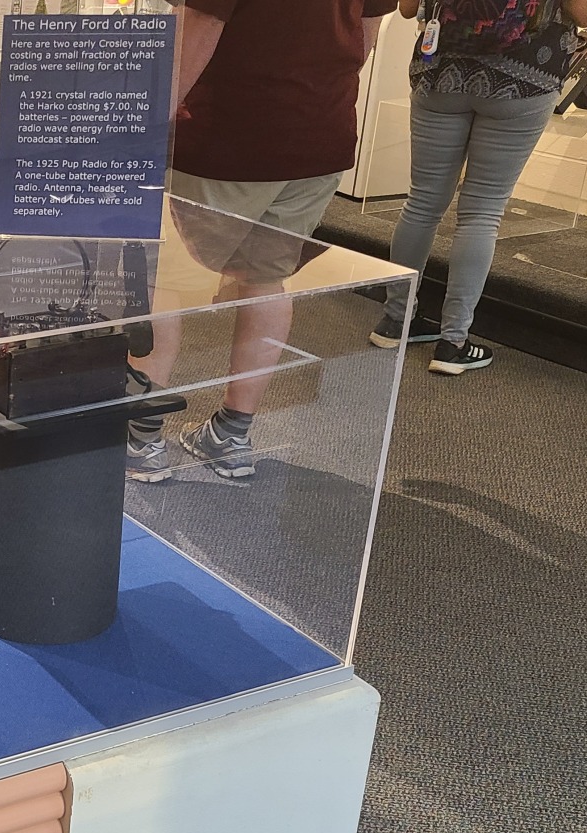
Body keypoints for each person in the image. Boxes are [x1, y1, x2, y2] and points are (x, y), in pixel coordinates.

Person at [128, 0, 395, 482]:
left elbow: (204, 21)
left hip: (228, 134)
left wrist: (153, 118)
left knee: (164, 279)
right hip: (319, 132)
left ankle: (140, 438)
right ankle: (231, 434)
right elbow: (368, 28)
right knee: (266, 280)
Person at [371, 0, 587, 374]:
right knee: (482, 211)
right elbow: (584, 14)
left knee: (421, 203)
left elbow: (407, 9)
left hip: (440, 68)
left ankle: (395, 321)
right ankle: (452, 343)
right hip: (524, 73)